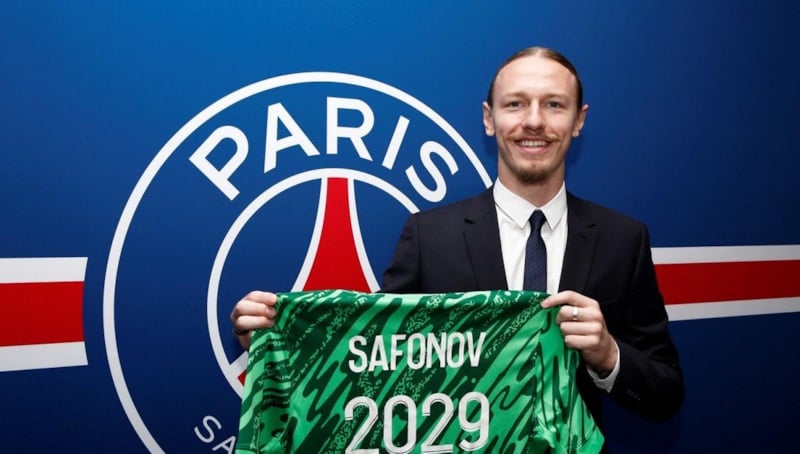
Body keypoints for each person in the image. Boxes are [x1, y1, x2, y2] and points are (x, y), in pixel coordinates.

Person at [231, 46, 684, 434]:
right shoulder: (428, 236)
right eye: (515, 104)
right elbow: (371, 368)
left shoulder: (623, 239)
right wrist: (279, 344)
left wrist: (607, 355)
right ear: (489, 118)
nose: (533, 121)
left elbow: (666, 394)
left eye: (553, 105)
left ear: (578, 120)